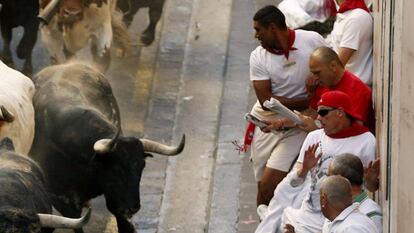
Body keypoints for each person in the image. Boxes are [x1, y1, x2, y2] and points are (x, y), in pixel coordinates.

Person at [255, 90, 376, 233]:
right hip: (307, 209)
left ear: (340, 112)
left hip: (339, 213)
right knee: (280, 206)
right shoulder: (314, 137)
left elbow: (369, 188)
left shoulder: (366, 141)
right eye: (318, 113)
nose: (319, 117)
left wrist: (371, 181)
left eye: (323, 113)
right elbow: (295, 181)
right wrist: (304, 169)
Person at [247, 5, 328, 206]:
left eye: (259, 29)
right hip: (268, 120)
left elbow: (332, 72)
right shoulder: (257, 57)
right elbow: (266, 102)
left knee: (268, 186)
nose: (255, 35)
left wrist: (313, 100)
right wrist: (308, 98)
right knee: (260, 184)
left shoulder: (311, 40)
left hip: (300, 121)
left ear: (273, 28)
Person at [264, 46, 373, 133]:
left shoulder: (355, 89)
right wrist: (280, 123)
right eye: (313, 73)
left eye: (317, 73)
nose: (314, 77)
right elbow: (312, 115)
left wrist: (316, 130)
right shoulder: (323, 83)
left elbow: (355, 134)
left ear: (333, 66)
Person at [326, 154, 382, 232]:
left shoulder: (370, 212)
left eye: (329, 177)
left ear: (340, 179)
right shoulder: (336, 208)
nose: (325, 182)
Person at [326, 0, 373, 85]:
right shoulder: (345, 15)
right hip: (346, 84)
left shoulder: (356, 18)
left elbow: (337, 65)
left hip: (355, 88)